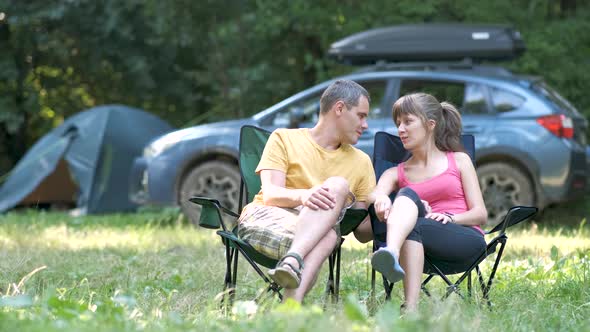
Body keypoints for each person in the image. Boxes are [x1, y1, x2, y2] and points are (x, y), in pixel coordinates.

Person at [237, 80, 376, 303]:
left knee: (329, 232)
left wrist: (393, 213)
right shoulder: (284, 138)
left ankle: (290, 296)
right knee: (328, 232)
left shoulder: (362, 162)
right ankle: (291, 302)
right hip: (266, 218)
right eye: (361, 115)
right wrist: (304, 195)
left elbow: (361, 231)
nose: (366, 124)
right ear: (339, 108)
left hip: (314, 235)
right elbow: (271, 194)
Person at [369, 92, 487, 312]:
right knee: (407, 197)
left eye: (407, 122)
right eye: (398, 124)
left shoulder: (459, 160)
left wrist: (451, 218)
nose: (400, 129)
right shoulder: (397, 172)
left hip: (463, 240)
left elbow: (480, 213)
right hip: (418, 244)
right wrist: (383, 199)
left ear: (430, 124)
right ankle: (409, 307)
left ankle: (391, 253)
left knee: (408, 201)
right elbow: (375, 193)